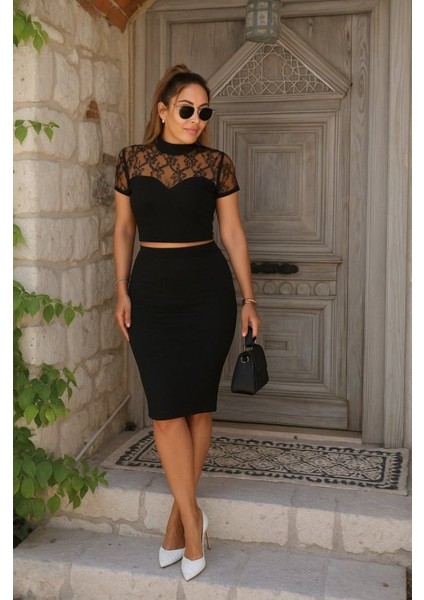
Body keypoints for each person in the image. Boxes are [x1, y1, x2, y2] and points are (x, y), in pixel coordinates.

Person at [113, 64, 261, 581]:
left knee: (197, 406)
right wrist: (121, 289)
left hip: (207, 292)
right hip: (151, 291)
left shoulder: (217, 164)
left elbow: (233, 233)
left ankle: (180, 521)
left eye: (204, 111)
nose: (197, 119)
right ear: (163, 110)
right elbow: (123, 230)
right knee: (165, 411)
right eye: (186, 109)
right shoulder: (131, 160)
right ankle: (195, 519)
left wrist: (248, 299)